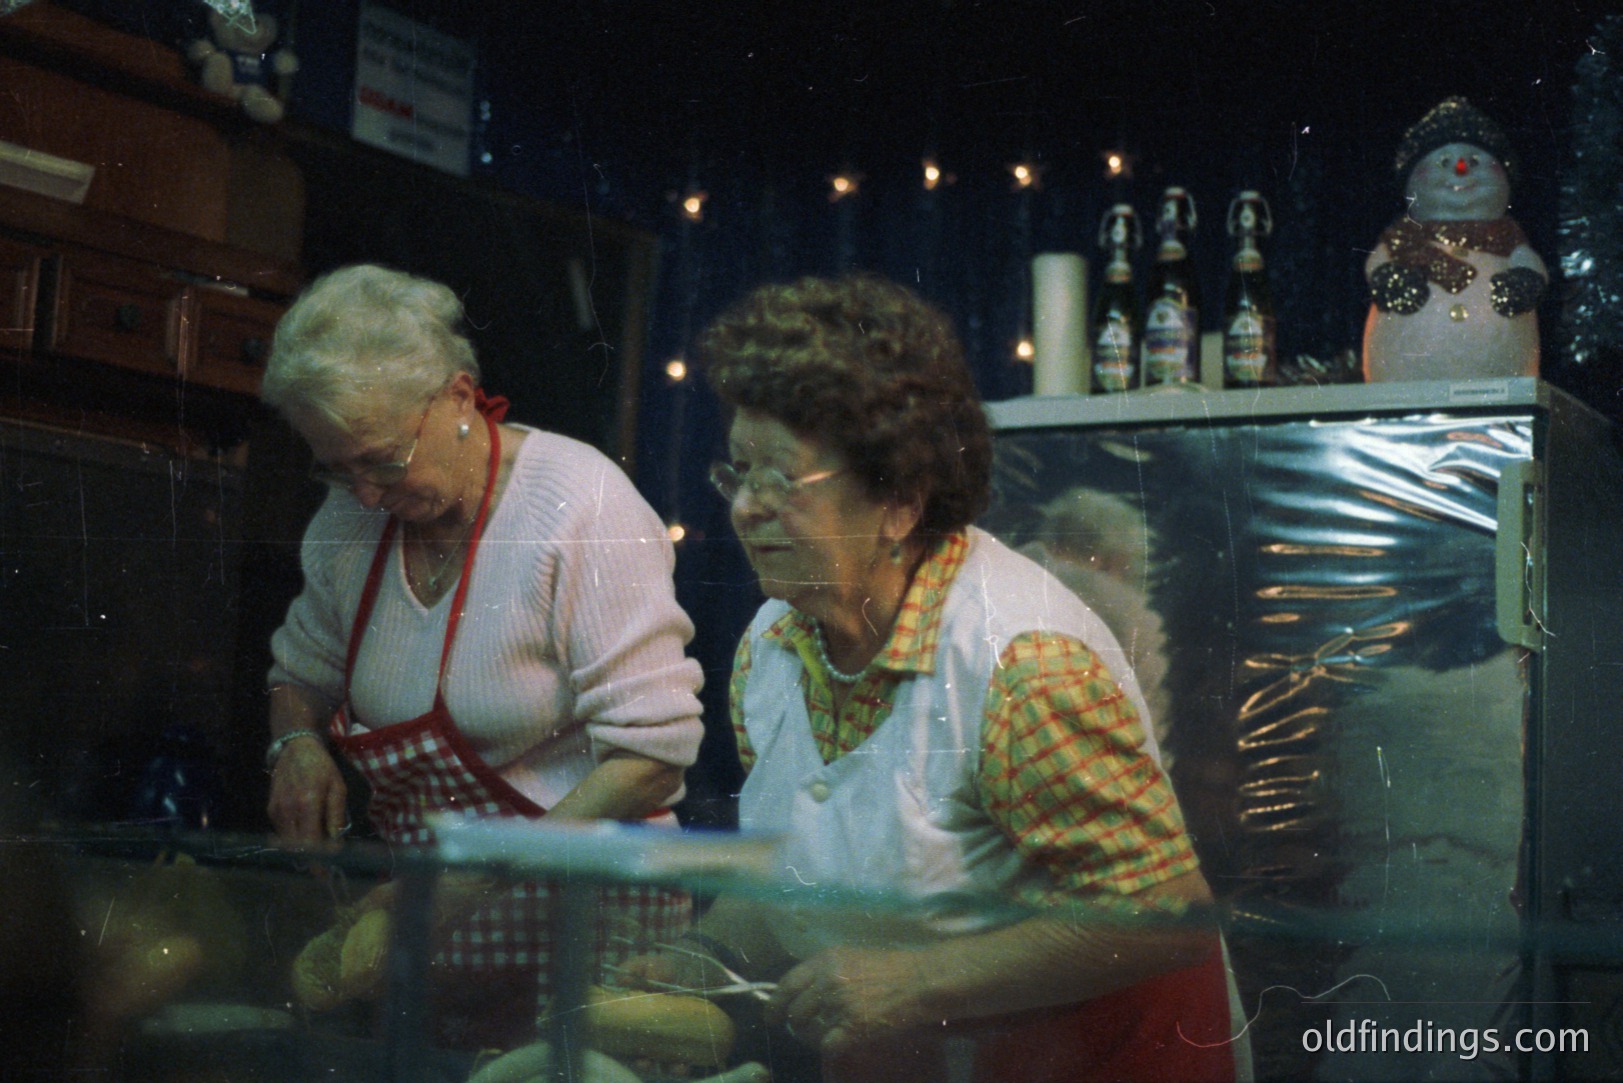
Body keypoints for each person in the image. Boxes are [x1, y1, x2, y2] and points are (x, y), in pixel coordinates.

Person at [635, 274, 1248, 1082]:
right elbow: (794, 858)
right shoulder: (772, 644)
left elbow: (1165, 913)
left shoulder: (1022, 662)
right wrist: (704, 953)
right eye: (740, 472)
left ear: (899, 500)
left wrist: (915, 978)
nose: (747, 507)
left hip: (1107, 1054)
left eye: (783, 478)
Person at [259, 263, 705, 1047]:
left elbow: (651, 758)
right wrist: (294, 742)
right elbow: (299, 672)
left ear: (458, 398)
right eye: (335, 464)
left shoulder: (580, 506)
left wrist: (470, 878)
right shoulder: (346, 525)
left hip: (592, 939)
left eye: (382, 460)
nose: (362, 494)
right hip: (434, 933)